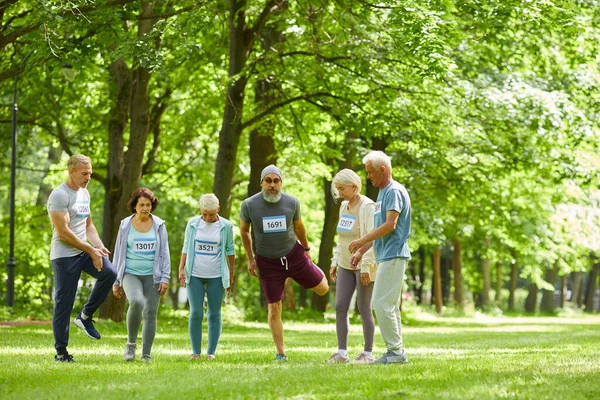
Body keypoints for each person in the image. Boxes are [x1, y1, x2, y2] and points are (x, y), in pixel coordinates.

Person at [240, 165, 329, 361]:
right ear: (261, 182)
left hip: (294, 256)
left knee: (323, 289)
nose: (272, 185)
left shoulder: (292, 202)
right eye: (268, 181)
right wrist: (250, 258)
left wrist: (306, 249)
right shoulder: (249, 205)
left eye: (276, 181)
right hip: (267, 262)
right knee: (274, 307)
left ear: (281, 182)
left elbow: (299, 227)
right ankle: (281, 352)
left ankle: (306, 271)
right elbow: (244, 231)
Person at [47, 154, 117, 362]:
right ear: (71, 171)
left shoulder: (85, 194)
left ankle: (85, 316)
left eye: (90, 173)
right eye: (84, 173)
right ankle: (61, 352)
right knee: (64, 302)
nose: (88, 177)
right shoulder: (59, 196)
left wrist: (99, 246)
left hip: (85, 251)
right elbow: (63, 232)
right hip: (64, 256)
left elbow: (88, 225)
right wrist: (90, 250)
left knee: (110, 273)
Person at [349, 151, 411, 365]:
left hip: (394, 254)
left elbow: (390, 225)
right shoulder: (383, 193)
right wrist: (361, 250)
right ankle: (397, 351)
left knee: (380, 303)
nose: (368, 177)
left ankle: (395, 352)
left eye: (370, 172)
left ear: (383, 170)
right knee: (389, 305)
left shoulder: (394, 191)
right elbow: (378, 230)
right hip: (385, 254)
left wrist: (360, 240)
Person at [112, 188, 170, 362]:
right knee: (136, 301)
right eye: (142, 205)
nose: (145, 208)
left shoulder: (159, 225)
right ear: (134, 206)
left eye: (148, 205)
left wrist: (165, 278)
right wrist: (116, 280)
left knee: (151, 313)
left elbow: (165, 253)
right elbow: (118, 253)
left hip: (153, 276)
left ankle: (146, 354)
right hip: (131, 273)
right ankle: (130, 344)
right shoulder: (125, 225)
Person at [328, 169, 377, 364]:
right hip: (345, 264)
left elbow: (373, 238)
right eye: (337, 188)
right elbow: (342, 238)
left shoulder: (367, 207)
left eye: (342, 188)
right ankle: (342, 353)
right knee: (340, 306)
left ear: (355, 187)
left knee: (364, 307)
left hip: (364, 264)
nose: (339, 192)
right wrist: (335, 261)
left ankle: (368, 353)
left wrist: (365, 265)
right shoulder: (344, 206)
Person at [179, 194, 235, 360]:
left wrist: (230, 276)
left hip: (216, 275)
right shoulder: (193, 224)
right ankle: (196, 352)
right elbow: (186, 246)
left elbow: (230, 251)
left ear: (218, 209)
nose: (208, 217)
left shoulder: (226, 226)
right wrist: (181, 268)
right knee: (196, 312)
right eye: (204, 214)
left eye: (211, 214)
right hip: (195, 274)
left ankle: (211, 353)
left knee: (214, 313)